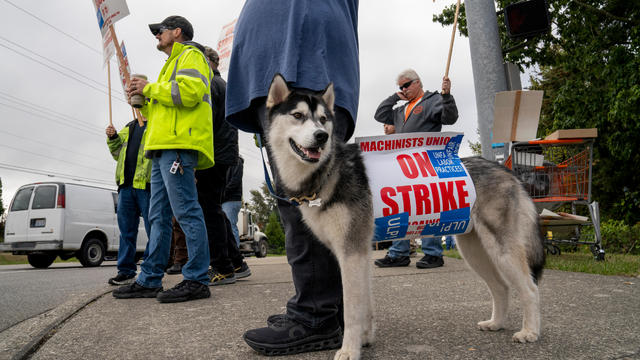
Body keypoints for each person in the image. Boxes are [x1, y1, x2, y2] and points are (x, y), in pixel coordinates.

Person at [225, 0, 359, 355]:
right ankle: (327, 305)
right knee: (297, 202)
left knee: (310, 202)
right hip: (286, 58)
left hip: (305, 54)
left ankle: (317, 315)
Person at [113, 15, 214, 303]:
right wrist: (145, 100)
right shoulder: (171, 64)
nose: (157, 35)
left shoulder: (192, 55)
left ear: (177, 31)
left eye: (161, 30)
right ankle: (150, 279)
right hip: (162, 147)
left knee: (185, 210)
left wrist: (150, 89)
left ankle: (196, 278)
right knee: (158, 216)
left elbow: (190, 94)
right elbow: (167, 108)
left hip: (179, 145)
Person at [373, 68, 458, 269]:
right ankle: (399, 253)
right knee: (400, 207)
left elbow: (449, 118)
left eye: (406, 85)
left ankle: (433, 253)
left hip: (425, 163)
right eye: (400, 86)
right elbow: (380, 114)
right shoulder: (401, 110)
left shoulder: (432, 100)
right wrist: (395, 97)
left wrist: (446, 97)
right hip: (403, 166)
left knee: (427, 207)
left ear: (417, 82)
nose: (403, 89)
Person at [197, 46, 250, 286]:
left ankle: (223, 267)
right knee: (214, 210)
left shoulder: (211, 84)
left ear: (208, 62)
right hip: (224, 153)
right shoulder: (224, 85)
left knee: (211, 212)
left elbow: (206, 123)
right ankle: (236, 262)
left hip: (213, 155)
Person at [105, 118, 152, 286]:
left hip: (147, 185)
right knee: (126, 231)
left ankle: (149, 268)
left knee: (153, 229)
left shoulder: (156, 121)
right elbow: (117, 154)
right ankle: (125, 271)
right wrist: (113, 138)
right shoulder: (129, 126)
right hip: (126, 185)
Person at [222, 156, 244, 247]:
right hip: (224, 200)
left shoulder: (237, 161)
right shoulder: (225, 162)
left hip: (232, 199)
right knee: (225, 228)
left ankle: (235, 254)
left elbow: (235, 181)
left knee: (230, 227)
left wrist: (222, 193)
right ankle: (229, 253)